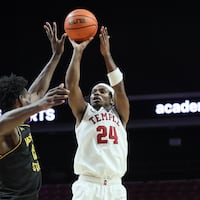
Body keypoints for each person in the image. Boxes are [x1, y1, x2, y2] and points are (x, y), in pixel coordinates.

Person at [0, 22, 69, 200]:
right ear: (20, 101)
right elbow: (2, 123)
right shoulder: (9, 131)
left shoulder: (20, 122)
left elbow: (38, 92)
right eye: (27, 98)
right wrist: (39, 106)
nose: (33, 98)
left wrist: (56, 55)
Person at [65, 26, 130, 200]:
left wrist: (106, 55)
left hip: (115, 186)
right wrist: (77, 52)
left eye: (101, 91)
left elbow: (120, 89)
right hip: (88, 185)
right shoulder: (83, 112)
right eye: (93, 92)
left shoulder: (120, 115)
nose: (95, 93)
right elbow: (71, 86)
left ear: (111, 97)